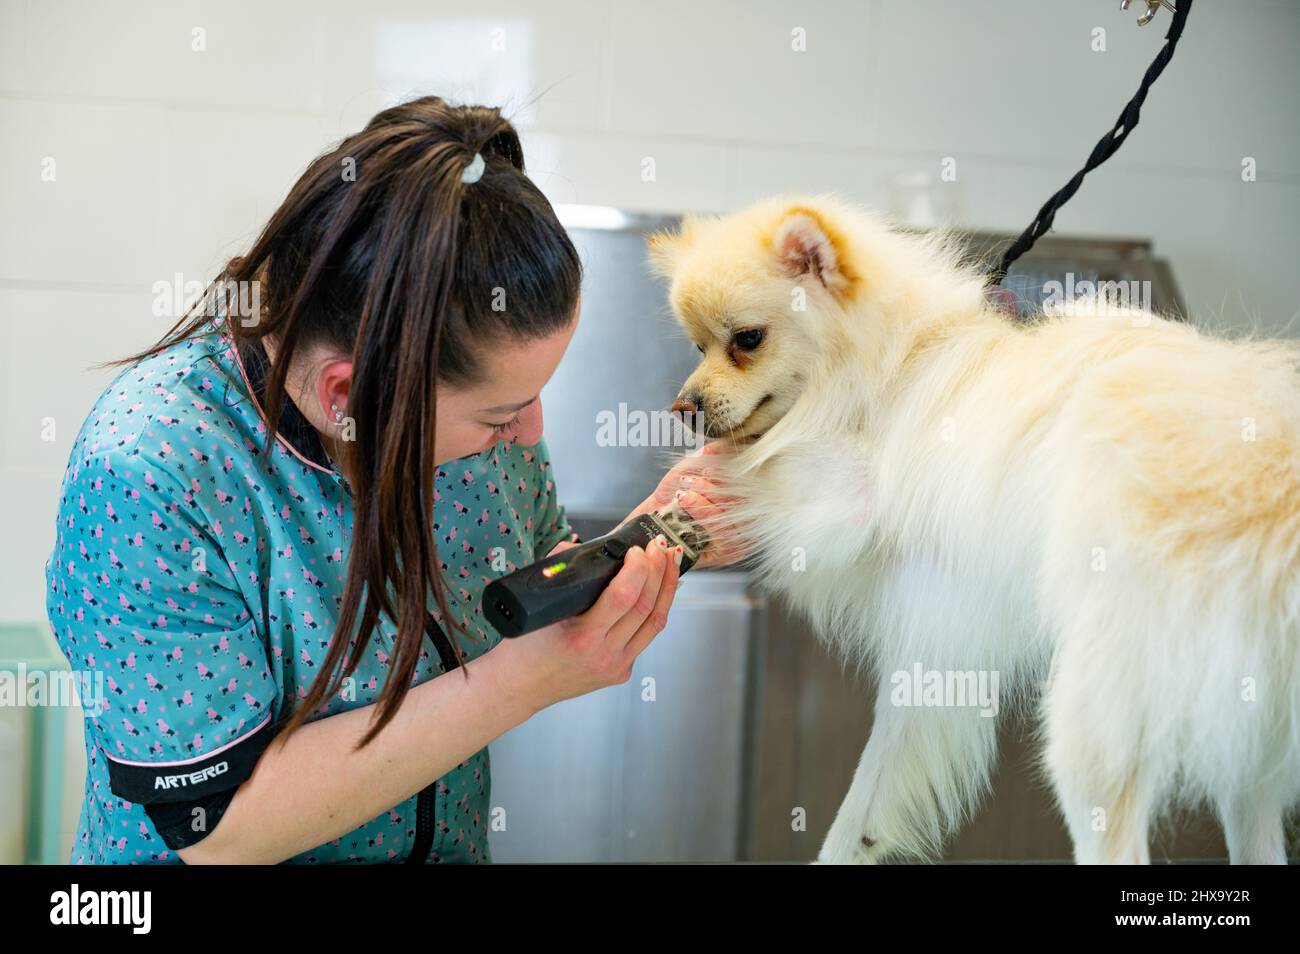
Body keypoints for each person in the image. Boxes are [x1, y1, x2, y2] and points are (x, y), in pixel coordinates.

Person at [45, 96, 734, 864]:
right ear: (350, 395)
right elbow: (218, 828)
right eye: (504, 413)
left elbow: (535, 583)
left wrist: (661, 530)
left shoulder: (480, 425)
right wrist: (518, 684)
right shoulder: (153, 470)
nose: (530, 433)